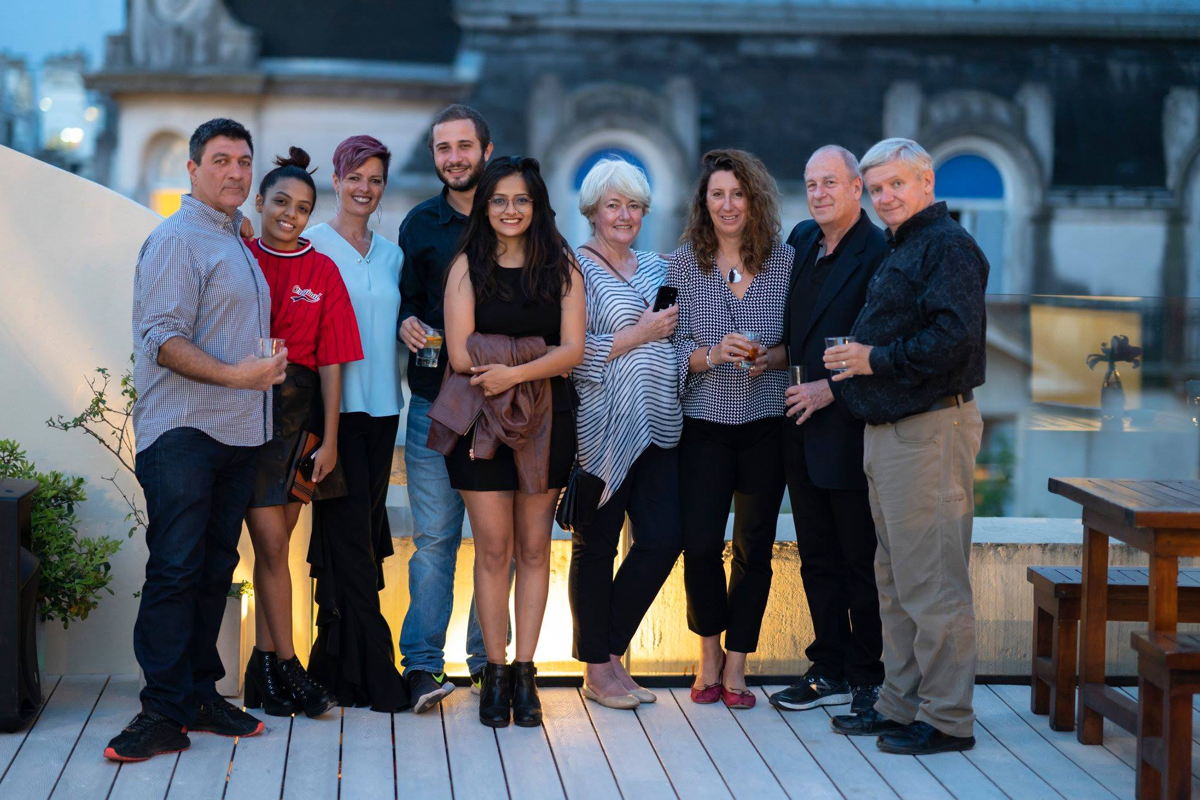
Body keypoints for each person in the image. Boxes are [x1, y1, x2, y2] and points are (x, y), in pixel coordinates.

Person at [107, 118, 286, 762]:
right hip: (182, 430)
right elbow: (161, 336)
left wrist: (256, 376)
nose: (236, 172)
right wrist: (241, 373)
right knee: (176, 569)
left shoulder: (235, 238)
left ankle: (199, 695)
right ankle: (159, 711)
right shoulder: (176, 239)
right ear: (192, 169)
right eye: (221, 161)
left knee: (214, 568)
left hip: (236, 433)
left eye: (244, 161)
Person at [825, 138, 987, 756]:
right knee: (895, 582)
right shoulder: (909, 245)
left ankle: (947, 719)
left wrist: (872, 359)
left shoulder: (947, 246)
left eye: (896, 184)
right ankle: (899, 705)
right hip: (894, 436)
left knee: (934, 585)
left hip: (929, 432)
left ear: (926, 182)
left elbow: (955, 343)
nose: (885, 197)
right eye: (876, 188)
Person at [434, 156, 584, 728]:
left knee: (536, 550)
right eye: (499, 200)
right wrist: (533, 359)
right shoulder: (466, 267)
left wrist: (513, 372)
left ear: (537, 205)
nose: (510, 210)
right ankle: (493, 673)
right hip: (481, 423)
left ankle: (527, 673)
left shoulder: (561, 265)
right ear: (485, 206)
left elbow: (573, 350)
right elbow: (459, 355)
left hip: (549, 420)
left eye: (521, 200)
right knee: (493, 550)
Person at [241, 147, 364, 719]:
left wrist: (331, 439)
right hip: (245, 414)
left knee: (279, 547)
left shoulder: (323, 269)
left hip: (302, 420)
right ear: (259, 202)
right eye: (281, 202)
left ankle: (263, 671)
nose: (291, 214)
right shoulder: (238, 257)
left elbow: (335, 362)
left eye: (303, 207)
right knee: (269, 547)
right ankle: (289, 667)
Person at [668, 149, 792, 711]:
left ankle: (740, 661)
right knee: (700, 546)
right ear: (704, 203)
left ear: (754, 200)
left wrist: (770, 358)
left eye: (737, 194)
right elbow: (667, 352)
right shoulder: (681, 267)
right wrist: (711, 353)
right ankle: (708, 653)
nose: (727, 204)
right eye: (717, 194)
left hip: (767, 424)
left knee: (754, 550)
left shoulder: (786, 264)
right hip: (703, 427)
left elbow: (801, 344)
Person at [768, 146, 887, 715]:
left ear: (856, 187)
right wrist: (769, 358)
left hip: (850, 424)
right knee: (815, 555)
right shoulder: (800, 241)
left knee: (858, 557)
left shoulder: (879, 251)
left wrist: (829, 392)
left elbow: (878, 348)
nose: (818, 194)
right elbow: (798, 331)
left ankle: (868, 675)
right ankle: (829, 667)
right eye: (811, 184)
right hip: (797, 423)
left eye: (830, 183)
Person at [568, 158, 682, 709]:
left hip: (660, 423)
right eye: (613, 204)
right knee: (596, 548)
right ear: (592, 210)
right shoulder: (574, 268)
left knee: (663, 538)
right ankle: (597, 670)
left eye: (634, 205)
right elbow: (569, 355)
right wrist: (639, 334)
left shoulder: (659, 268)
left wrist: (700, 357)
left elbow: (675, 343)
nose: (624, 215)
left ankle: (610, 651)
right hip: (603, 431)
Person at [396, 104, 500, 710]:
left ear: (486, 152)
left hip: (501, 406)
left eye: (465, 146)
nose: (454, 157)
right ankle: (424, 669)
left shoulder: (515, 216)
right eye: (443, 148)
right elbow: (406, 303)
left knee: (497, 544)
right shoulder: (419, 224)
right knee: (434, 540)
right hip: (435, 402)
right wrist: (407, 322)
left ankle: (488, 664)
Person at [304, 135, 410, 711]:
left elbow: (393, 322)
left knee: (362, 537)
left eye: (375, 180)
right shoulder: (312, 247)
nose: (364, 188)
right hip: (334, 414)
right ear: (337, 181)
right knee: (348, 543)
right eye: (355, 177)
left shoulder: (392, 255)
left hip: (382, 411)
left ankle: (335, 668)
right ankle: (378, 670)